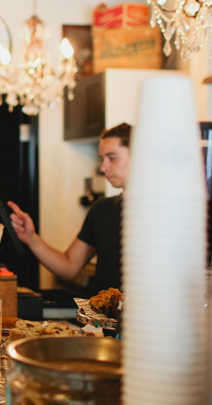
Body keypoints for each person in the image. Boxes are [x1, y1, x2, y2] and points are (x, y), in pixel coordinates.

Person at [8, 123, 131, 296]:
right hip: (104, 321)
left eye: (112, 158)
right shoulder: (102, 210)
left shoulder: (168, 212)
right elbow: (69, 267)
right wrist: (32, 239)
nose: (103, 167)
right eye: (102, 159)